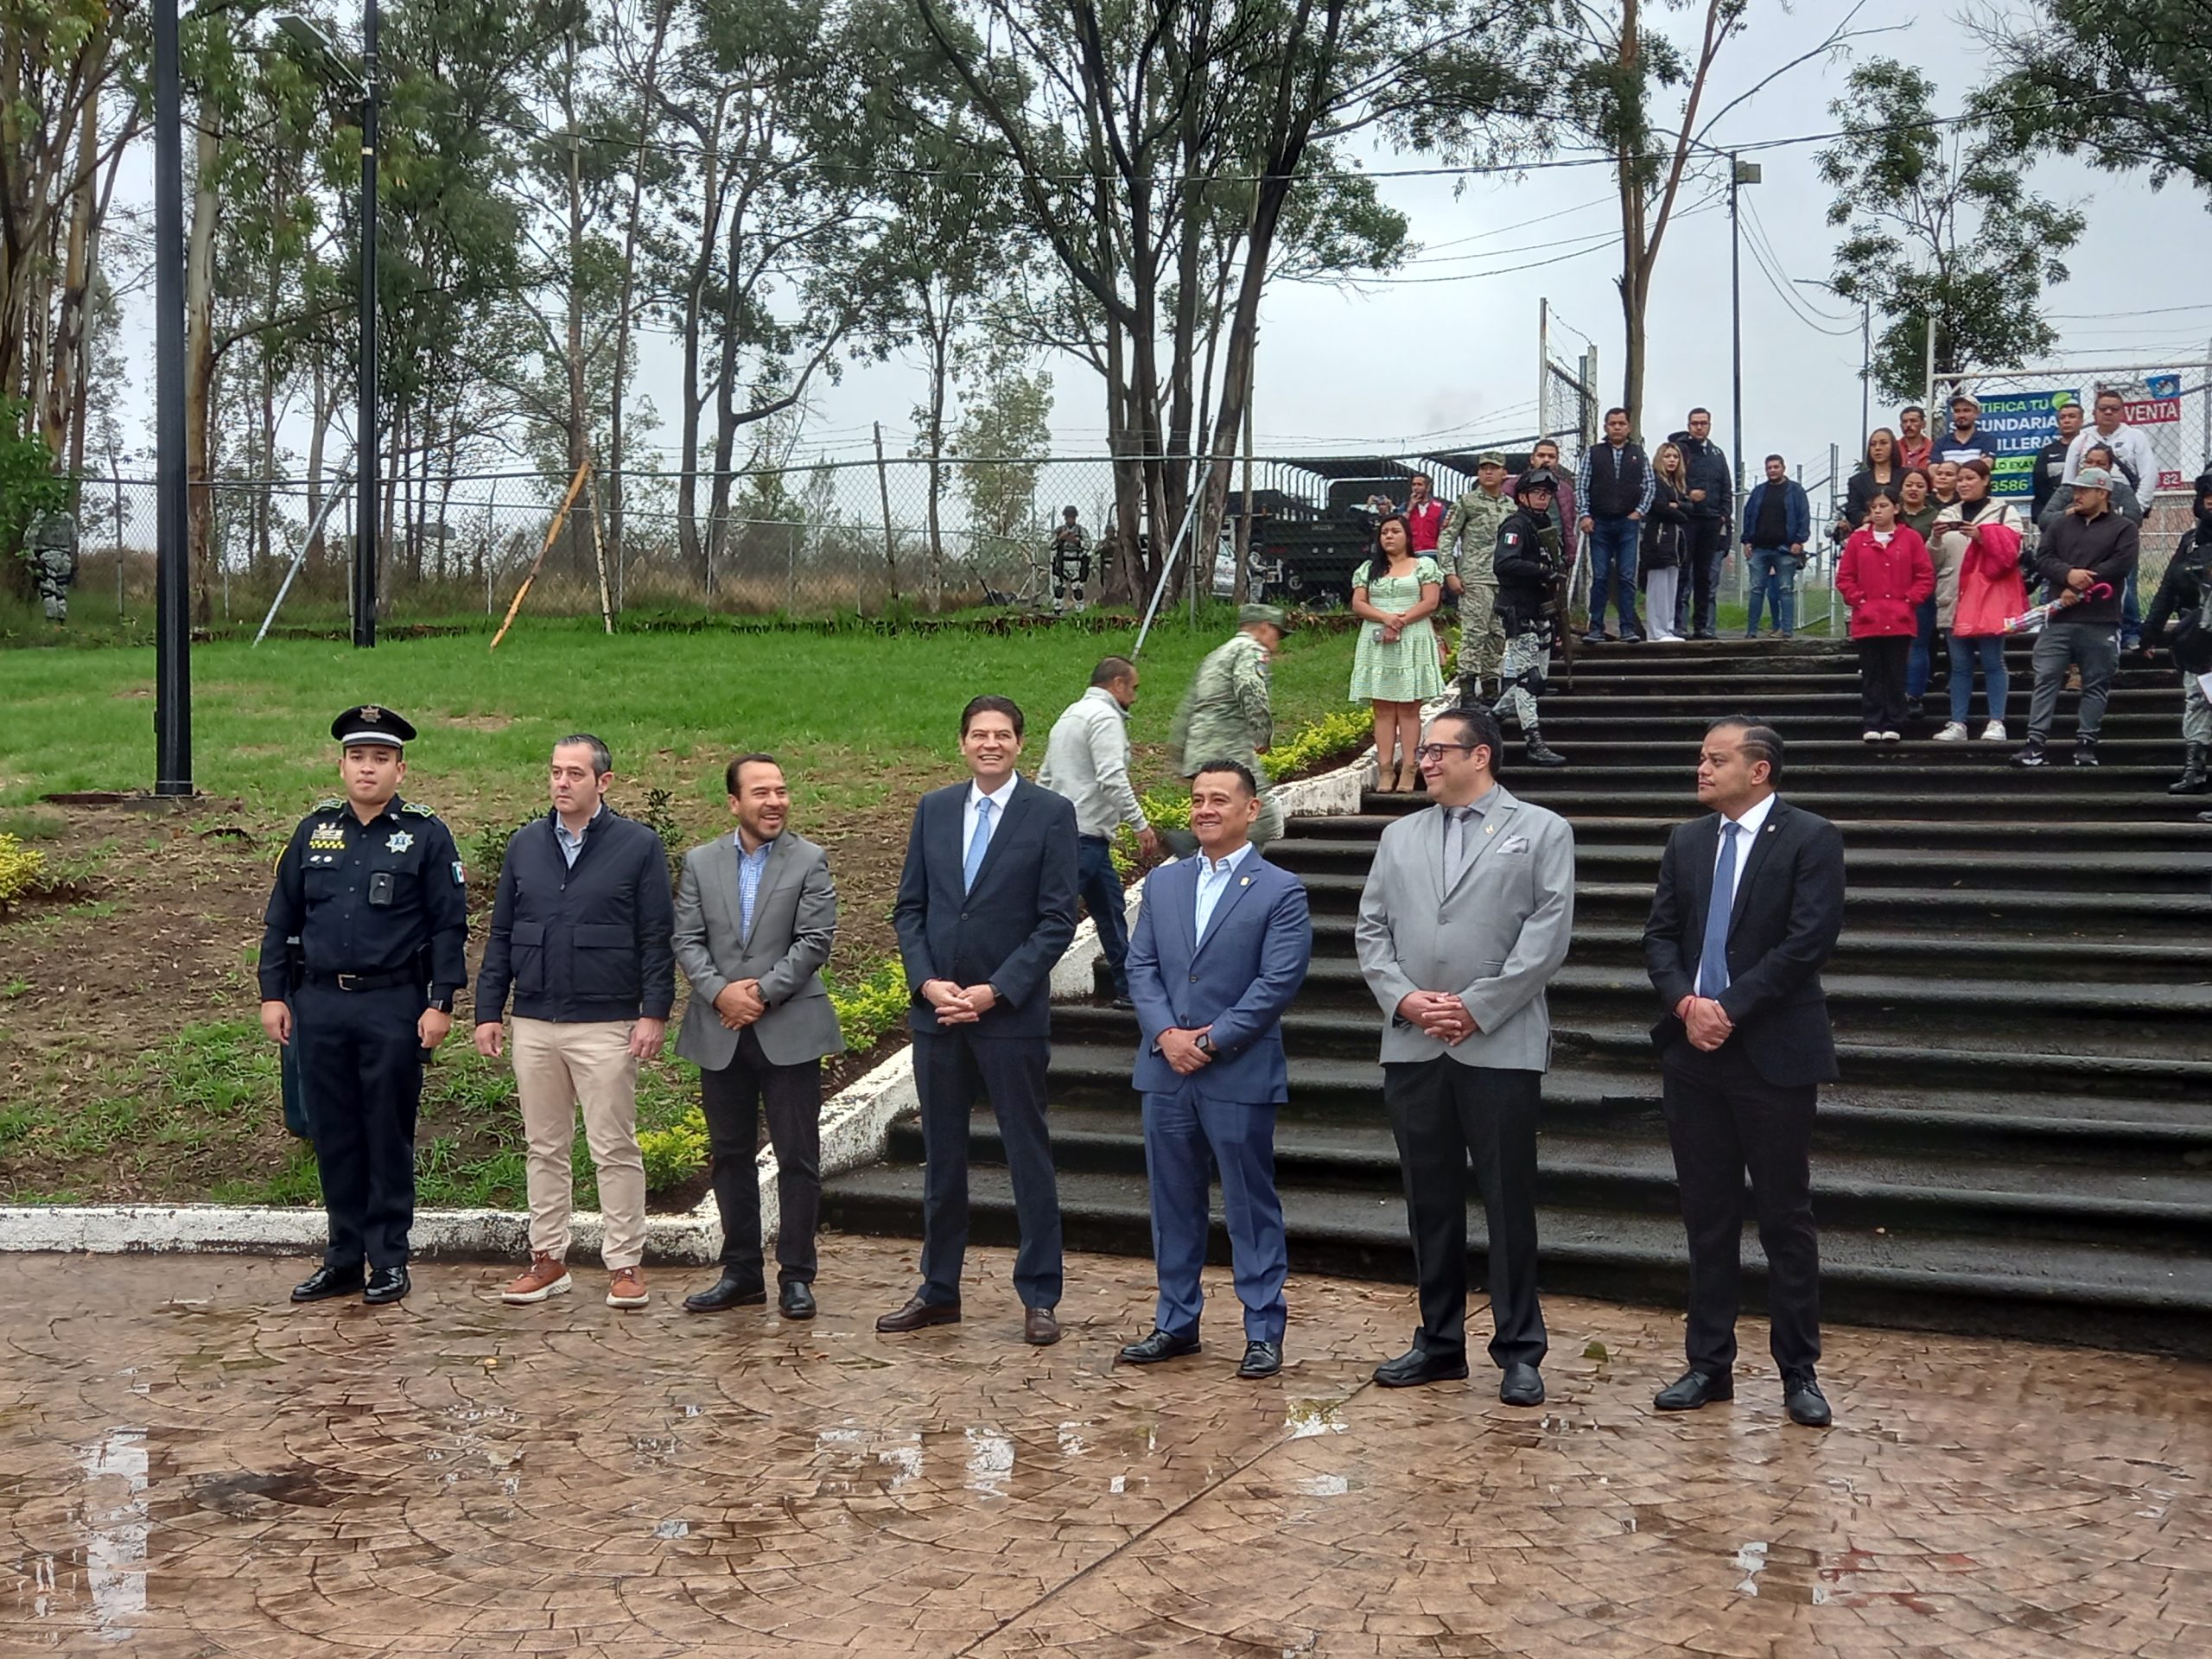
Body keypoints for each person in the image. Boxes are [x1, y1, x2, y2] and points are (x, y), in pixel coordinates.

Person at [1355, 704, 1575, 1403]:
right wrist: (1408, 999)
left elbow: (1547, 934)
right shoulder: (1398, 835)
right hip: (1414, 1042)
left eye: (1438, 750)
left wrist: (1477, 1007)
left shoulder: (1541, 830)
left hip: (1500, 1044)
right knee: (1429, 1199)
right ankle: (1438, 1341)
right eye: (1423, 751)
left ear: (1480, 756)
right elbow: (1371, 931)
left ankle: (1519, 1349)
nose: (1424, 760)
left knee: (1508, 1198)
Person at [1641, 718, 1845, 1430]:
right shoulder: (1687, 840)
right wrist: (1686, 1004)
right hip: (1692, 1053)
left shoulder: (1810, 838)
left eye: (1716, 759)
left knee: (1785, 1217)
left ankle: (1799, 1370)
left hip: (1772, 1052)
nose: (1702, 768)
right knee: (1707, 1214)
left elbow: (1807, 943)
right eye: (1701, 756)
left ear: (1758, 771)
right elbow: (1660, 936)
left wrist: (1728, 1008)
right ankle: (1708, 1364)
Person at [881, 696, 1079, 1344]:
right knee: (942, 1158)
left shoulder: (1050, 814)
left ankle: (1040, 1295)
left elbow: (1056, 920)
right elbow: (910, 908)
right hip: (938, 1015)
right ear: (962, 743)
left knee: (1028, 1154)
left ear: (1021, 743)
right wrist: (926, 982)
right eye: (978, 735)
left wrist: (998, 990)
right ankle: (939, 1290)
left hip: (1008, 1015)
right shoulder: (934, 809)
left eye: (1002, 735)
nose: (990, 744)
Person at [257, 706, 468, 1307]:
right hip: (319, 1003)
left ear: (400, 768)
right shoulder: (314, 831)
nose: (367, 769)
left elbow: (449, 925)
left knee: (386, 1133)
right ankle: (344, 1258)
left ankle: (390, 1261)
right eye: (357, 757)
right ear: (341, 764)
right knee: (334, 1135)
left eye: (380, 759)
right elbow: (282, 918)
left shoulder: (426, 834)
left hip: (394, 1004)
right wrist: (274, 993)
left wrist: (440, 1001)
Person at [1118, 761, 1312, 1380]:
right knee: (1173, 1201)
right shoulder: (1164, 885)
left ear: (1250, 810)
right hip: (1166, 1070)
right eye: (1197, 799)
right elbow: (1139, 968)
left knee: (1250, 1204)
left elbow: (1277, 981)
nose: (1205, 809)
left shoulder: (1280, 889)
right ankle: (1176, 1322)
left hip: (1237, 1070)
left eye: (1219, 800)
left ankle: (1262, 1329)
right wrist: (1166, 1036)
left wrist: (1210, 1038)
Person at [474, 735, 675, 1312]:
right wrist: (490, 1010)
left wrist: (653, 1012)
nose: (562, 783)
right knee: (544, 1146)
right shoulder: (525, 845)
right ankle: (548, 1259)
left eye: (575, 774)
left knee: (613, 1146)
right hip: (535, 1020)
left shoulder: (638, 846)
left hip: (607, 1021)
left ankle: (625, 1264)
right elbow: (503, 936)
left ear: (603, 783)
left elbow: (655, 938)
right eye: (555, 772)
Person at [671, 753, 842, 1319]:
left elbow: (814, 942)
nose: (775, 802)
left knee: (798, 1156)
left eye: (782, 791)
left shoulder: (809, 860)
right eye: (762, 792)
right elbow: (687, 940)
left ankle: (797, 1274)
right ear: (734, 803)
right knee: (729, 1156)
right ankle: (741, 1271)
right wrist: (721, 993)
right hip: (720, 1028)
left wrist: (759, 994)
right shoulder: (700, 862)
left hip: (789, 1027)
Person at [1037, 657, 1160, 1009]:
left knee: (1110, 910)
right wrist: (1140, 824)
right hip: (1085, 835)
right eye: (1133, 688)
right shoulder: (1105, 718)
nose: (1134, 698)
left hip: (1074, 833)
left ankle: (1127, 989)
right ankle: (1014, 988)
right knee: (1054, 917)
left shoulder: (1069, 715)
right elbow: (1112, 778)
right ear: (1118, 684)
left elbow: (1047, 776)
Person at [2014, 467, 2140, 768]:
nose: (2077, 494)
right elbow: (2043, 558)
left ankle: (2086, 744)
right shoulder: (2060, 525)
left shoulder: (2124, 527)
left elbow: (2122, 563)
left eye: (2084, 490)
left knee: (2096, 682)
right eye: (2076, 489)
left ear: (2103, 493)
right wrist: (2067, 575)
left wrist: (2085, 581)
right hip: (2059, 617)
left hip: (2101, 618)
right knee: (2046, 677)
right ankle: (2035, 743)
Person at [1168, 604, 1289, 845]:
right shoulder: (1251, 650)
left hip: (1201, 750)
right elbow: (1250, 688)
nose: (1278, 640)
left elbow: (1190, 705)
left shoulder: (1217, 655)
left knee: (1220, 816)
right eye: (1277, 632)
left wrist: (1180, 753)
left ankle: (1200, 853)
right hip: (1230, 749)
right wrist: (1262, 734)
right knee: (1262, 817)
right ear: (1265, 628)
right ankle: (1190, 844)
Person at [1929, 459, 2028, 743]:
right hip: (1954, 597)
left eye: (1970, 478)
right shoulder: (1947, 513)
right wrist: (1935, 540)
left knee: (1993, 661)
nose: (1964, 484)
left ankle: (1997, 721)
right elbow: (1932, 562)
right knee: (1959, 665)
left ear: (1985, 480)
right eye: (1960, 479)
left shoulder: (2004, 511)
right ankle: (1957, 722)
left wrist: (1983, 536)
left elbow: (2012, 550)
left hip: (1988, 599)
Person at [1351, 512, 1447, 792]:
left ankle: (1408, 767)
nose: (1389, 537)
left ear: (1407, 536)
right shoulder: (1369, 568)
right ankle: (1384, 769)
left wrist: (1401, 620)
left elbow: (1430, 601)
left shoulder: (1424, 565)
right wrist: (1385, 618)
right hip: (1378, 639)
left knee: (1408, 707)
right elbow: (1358, 603)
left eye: (1395, 531)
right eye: (1384, 533)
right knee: (1381, 708)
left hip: (1412, 637)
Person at [1835, 492, 1934, 742]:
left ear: (1896, 508)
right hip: (1868, 620)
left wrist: (1909, 601)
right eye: (1873, 507)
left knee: (1895, 673)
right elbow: (1845, 577)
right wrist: (1860, 601)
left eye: (1883, 506)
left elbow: (1924, 575)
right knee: (1871, 674)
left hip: (1900, 620)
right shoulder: (1859, 541)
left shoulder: (1910, 539)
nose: (1877, 511)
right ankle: (1872, 720)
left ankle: (1894, 722)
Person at [1491, 468, 1570, 768]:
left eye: (1547, 493)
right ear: (1523, 496)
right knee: (1528, 679)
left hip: (1542, 610)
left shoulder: (1544, 525)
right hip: (1519, 611)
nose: (1543, 497)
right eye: (1537, 492)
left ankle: (1491, 719)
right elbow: (1505, 562)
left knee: (1538, 680)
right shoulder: (1516, 525)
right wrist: (1541, 571)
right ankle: (1534, 742)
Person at [2144, 468, 2212, 795]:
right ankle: (2194, 769)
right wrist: (2151, 632)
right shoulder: (2190, 541)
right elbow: (2168, 589)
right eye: (2207, 495)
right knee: (2196, 702)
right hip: (2195, 640)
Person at [1438, 452, 1513, 700]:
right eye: (1483, 468)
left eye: (1494, 468)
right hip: (1475, 578)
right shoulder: (1467, 502)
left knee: (1498, 634)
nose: (1488, 472)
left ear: (1504, 473)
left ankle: (1491, 687)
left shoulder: (1511, 506)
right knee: (1474, 633)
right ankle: (1468, 690)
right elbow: (1447, 538)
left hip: (1503, 580)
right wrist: (1449, 572)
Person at [1576, 406, 1654, 642]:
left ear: (1628, 427)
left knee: (1627, 576)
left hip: (1627, 524)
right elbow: (1582, 485)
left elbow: (1649, 485)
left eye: (1621, 423)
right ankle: (1596, 628)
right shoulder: (1593, 453)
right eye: (1613, 424)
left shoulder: (1638, 454)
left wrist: (1639, 512)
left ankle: (1627, 628)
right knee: (1599, 576)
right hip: (1599, 524)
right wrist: (1585, 515)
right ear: (1606, 427)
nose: (1617, 427)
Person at [1671, 409, 1733, 639]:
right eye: (1695, 423)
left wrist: (1725, 515)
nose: (1699, 427)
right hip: (1688, 520)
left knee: (1705, 576)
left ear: (1710, 425)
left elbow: (1726, 487)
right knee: (1683, 574)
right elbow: (1670, 480)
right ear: (1688, 425)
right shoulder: (1680, 450)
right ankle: (1679, 625)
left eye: (1703, 423)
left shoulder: (1717, 454)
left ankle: (1702, 626)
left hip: (1711, 522)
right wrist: (1688, 495)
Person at [1738, 455, 1809, 639]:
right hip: (1759, 549)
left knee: (1786, 589)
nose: (1772, 470)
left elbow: (1803, 516)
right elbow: (1748, 517)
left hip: (1785, 549)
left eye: (1776, 467)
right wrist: (1746, 541)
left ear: (1783, 468)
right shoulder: (1759, 492)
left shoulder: (1795, 491)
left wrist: (1799, 541)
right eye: (1769, 467)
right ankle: (1751, 632)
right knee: (1756, 590)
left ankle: (1787, 631)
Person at [1897, 467, 1942, 719]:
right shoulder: (1891, 515)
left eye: (1919, 485)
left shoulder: (1936, 518)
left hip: (1923, 588)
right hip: (1890, 589)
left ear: (1928, 490)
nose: (1914, 489)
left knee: (1919, 643)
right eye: (1909, 485)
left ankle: (1915, 695)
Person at [2063, 386, 2157, 495]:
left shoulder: (2136, 436)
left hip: (2125, 499)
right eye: (2103, 408)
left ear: (2122, 413)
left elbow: (2149, 476)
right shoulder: (2081, 440)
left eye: (2114, 409)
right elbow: (2068, 480)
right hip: (2088, 503)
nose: (2108, 412)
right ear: (2094, 413)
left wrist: (2138, 507)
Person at [1642, 441, 1691, 644]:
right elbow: (1659, 506)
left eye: (1675, 457)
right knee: (1658, 586)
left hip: (1674, 540)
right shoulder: (1655, 480)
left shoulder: (1676, 484)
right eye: (1668, 456)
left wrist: (1678, 506)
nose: (1672, 460)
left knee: (1671, 583)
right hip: (1658, 537)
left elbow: (1690, 507)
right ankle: (1656, 630)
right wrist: (1680, 511)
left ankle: (1667, 628)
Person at [1835, 429, 1905, 538]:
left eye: (1883, 443)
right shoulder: (1857, 481)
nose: (1877, 448)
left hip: (1901, 533)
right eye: (1873, 444)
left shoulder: (1907, 476)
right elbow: (1853, 510)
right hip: (1867, 535)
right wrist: (1869, 518)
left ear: (1893, 447)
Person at [2031, 400, 2087, 523]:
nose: (2066, 421)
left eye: (2072, 417)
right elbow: (2040, 486)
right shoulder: (2047, 452)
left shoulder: (2090, 449)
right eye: (2062, 418)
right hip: (2055, 513)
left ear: (2082, 421)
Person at [21, 507, 78, 623]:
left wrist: (32, 558)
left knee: (48, 591)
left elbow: (29, 536)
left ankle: (50, 622)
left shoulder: (42, 515)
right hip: (65, 557)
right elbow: (74, 537)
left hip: (47, 557)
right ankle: (61, 622)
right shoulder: (68, 516)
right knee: (61, 592)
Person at [1049, 506, 1091, 614]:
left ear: (1075, 517)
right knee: (1059, 587)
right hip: (1061, 562)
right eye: (1068, 517)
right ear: (1065, 517)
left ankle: (1079, 609)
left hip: (1076, 562)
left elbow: (1089, 545)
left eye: (1072, 517)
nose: (1070, 519)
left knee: (1077, 588)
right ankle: (1058, 608)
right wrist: (1060, 539)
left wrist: (1077, 541)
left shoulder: (1081, 531)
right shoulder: (1059, 530)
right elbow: (1050, 545)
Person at [1936, 392, 1998, 466]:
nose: (1961, 415)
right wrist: (1974, 466)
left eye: (1966, 410)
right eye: (1957, 411)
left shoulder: (1987, 440)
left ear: (1977, 414)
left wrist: (1949, 471)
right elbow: (1933, 469)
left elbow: (1986, 466)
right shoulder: (1941, 443)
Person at [1402, 472, 1445, 556]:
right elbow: (1399, 525)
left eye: (1419, 485)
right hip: (1410, 552)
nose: (1416, 488)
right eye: (1414, 485)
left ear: (1428, 487)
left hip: (1433, 552)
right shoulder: (1405, 506)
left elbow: (1444, 532)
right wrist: (1409, 510)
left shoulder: (1439, 508)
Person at [1897, 404, 1934, 472]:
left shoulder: (1934, 449)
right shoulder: (1893, 448)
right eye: (1905, 422)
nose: (1908, 425)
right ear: (1901, 426)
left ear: (1923, 424)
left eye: (1913, 421)